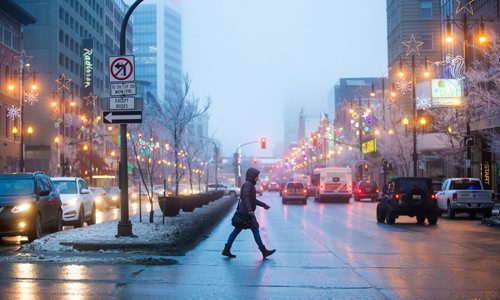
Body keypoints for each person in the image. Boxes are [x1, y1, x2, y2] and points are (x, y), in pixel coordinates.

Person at [222, 167, 276, 259]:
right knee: (255, 230)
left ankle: (226, 249)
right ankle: (264, 251)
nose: (257, 178)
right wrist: (250, 211)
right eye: (256, 176)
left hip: (245, 212)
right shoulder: (248, 185)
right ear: (252, 176)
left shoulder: (249, 185)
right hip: (246, 213)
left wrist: (264, 205)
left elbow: (253, 200)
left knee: (237, 231)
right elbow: (246, 198)